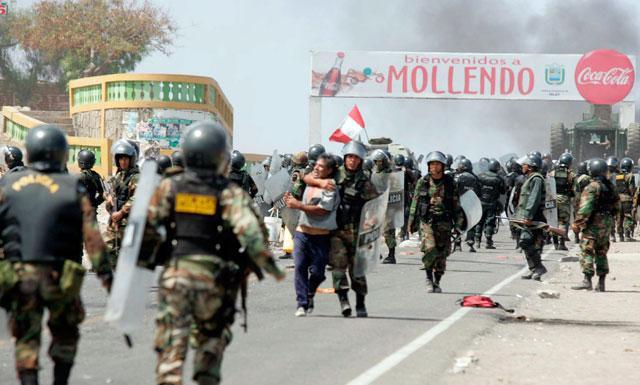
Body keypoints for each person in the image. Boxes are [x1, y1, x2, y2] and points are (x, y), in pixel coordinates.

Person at [142, 121, 284, 385]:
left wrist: (145, 263)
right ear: (221, 156)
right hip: (215, 281)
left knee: (171, 351)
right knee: (209, 350)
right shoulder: (228, 192)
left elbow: (148, 229)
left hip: (176, 276)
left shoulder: (169, 187)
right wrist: (267, 265)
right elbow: (252, 233)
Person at [0, 125, 112, 385]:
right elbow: (92, 239)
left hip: (19, 275)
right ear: (62, 154)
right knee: (65, 335)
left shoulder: (9, 185)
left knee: (26, 338)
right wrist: (107, 278)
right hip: (60, 275)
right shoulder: (72, 185)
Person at [300, 141, 378, 317]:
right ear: (345, 158)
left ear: (360, 160)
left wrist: (371, 221)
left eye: (356, 158)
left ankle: (360, 303)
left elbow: (374, 205)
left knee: (358, 270)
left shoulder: (364, 182)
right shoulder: (334, 175)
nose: (352, 161)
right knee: (338, 267)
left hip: (357, 231)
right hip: (336, 230)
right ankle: (344, 301)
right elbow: (311, 182)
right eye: (350, 157)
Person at [284, 153, 340, 317]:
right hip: (302, 233)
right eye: (316, 165)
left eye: (320, 167)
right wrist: (317, 180)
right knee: (300, 267)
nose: (316, 168)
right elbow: (305, 178)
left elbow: (322, 211)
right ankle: (302, 304)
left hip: (320, 237)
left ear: (329, 170)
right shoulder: (313, 177)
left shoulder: (331, 187)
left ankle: (309, 292)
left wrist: (297, 205)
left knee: (318, 273)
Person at [408, 151, 465, 293]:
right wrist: (411, 222)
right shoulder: (423, 182)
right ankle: (428, 277)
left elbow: (456, 204)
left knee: (442, 254)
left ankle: (437, 281)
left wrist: (459, 224)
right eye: (432, 164)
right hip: (427, 221)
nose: (434, 167)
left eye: (437, 164)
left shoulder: (450, 183)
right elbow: (415, 202)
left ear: (442, 166)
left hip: (444, 222)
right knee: (430, 248)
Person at [571, 158, 619, 291]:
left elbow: (586, 207)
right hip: (607, 222)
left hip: (593, 223)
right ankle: (601, 282)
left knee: (587, 250)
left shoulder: (592, 187)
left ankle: (587, 280)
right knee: (602, 251)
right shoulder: (611, 186)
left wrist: (577, 223)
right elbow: (617, 206)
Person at [104, 140, 139, 270]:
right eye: (120, 159)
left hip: (127, 222)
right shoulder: (119, 176)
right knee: (109, 251)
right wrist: (107, 197)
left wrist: (121, 212)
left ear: (131, 160)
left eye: (125, 159)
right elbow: (109, 191)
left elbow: (137, 198)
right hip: (114, 220)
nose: (122, 162)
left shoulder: (136, 177)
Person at [514, 154, 548, 281]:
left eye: (524, 164)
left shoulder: (536, 179)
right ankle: (533, 269)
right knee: (526, 242)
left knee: (526, 241)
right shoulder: (530, 178)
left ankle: (538, 268)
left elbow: (533, 199)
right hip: (527, 216)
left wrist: (528, 215)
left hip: (534, 216)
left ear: (531, 166)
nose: (522, 166)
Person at [475, 159, 506, 249]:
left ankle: (477, 241)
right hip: (492, 203)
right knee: (490, 222)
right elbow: (503, 191)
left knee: (479, 221)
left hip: (481, 202)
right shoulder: (499, 178)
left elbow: (476, 188)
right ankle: (488, 242)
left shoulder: (480, 176)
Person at [547, 153, 575, 250]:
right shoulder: (571, 174)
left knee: (554, 221)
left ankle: (555, 243)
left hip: (553, 200)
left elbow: (548, 186)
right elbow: (574, 189)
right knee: (563, 221)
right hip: (564, 200)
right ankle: (562, 243)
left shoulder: (552, 173)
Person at [453, 158, 479, 252]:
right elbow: (478, 192)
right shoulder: (474, 178)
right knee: (470, 224)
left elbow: (454, 190)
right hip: (470, 204)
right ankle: (471, 243)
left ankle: (457, 244)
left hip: (459, 204)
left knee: (459, 223)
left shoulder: (458, 177)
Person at [616, 157, 636, 241]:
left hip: (618, 199)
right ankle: (627, 236)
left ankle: (620, 236)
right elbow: (631, 188)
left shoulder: (618, 176)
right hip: (627, 199)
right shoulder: (630, 176)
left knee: (619, 217)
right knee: (627, 216)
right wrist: (633, 196)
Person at [572, 161, 591, 243]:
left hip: (576, 201)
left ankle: (576, 236)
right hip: (584, 200)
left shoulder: (574, 177)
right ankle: (583, 237)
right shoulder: (587, 178)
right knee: (584, 218)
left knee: (576, 218)